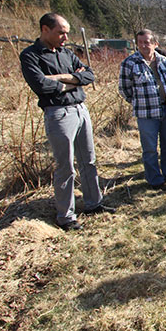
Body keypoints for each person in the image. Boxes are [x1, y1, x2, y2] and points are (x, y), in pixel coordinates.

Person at [20, 13, 114, 231]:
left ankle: (93, 203)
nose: (65, 37)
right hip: (58, 114)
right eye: (60, 32)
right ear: (45, 29)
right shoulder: (31, 56)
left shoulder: (66, 53)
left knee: (88, 160)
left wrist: (61, 78)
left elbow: (89, 76)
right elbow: (41, 85)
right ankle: (66, 216)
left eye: (67, 32)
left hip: (81, 110)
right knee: (66, 166)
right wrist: (72, 80)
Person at [118, 29, 166, 190]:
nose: (143, 45)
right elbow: (124, 89)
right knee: (150, 149)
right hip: (146, 113)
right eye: (140, 42)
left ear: (155, 44)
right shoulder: (129, 63)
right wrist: (138, 102)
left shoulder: (164, 61)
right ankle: (155, 179)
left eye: (147, 42)